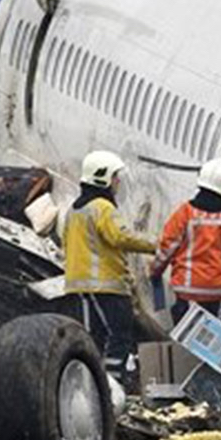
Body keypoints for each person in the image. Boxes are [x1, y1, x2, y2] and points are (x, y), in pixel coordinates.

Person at [63, 150, 157, 382]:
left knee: (93, 337)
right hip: (106, 286)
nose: (118, 182)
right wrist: (156, 245)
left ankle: (92, 382)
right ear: (102, 178)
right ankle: (112, 383)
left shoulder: (74, 210)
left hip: (78, 285)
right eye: (115, 177)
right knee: (120, 336)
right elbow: (120, 238)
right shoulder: (103, 208)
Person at [151, 159, 221, 324]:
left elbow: (166, 249)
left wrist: (155, 272)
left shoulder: (184, 213)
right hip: (219, 291)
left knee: (184, 335)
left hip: (187, 289)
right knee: (216, 339)